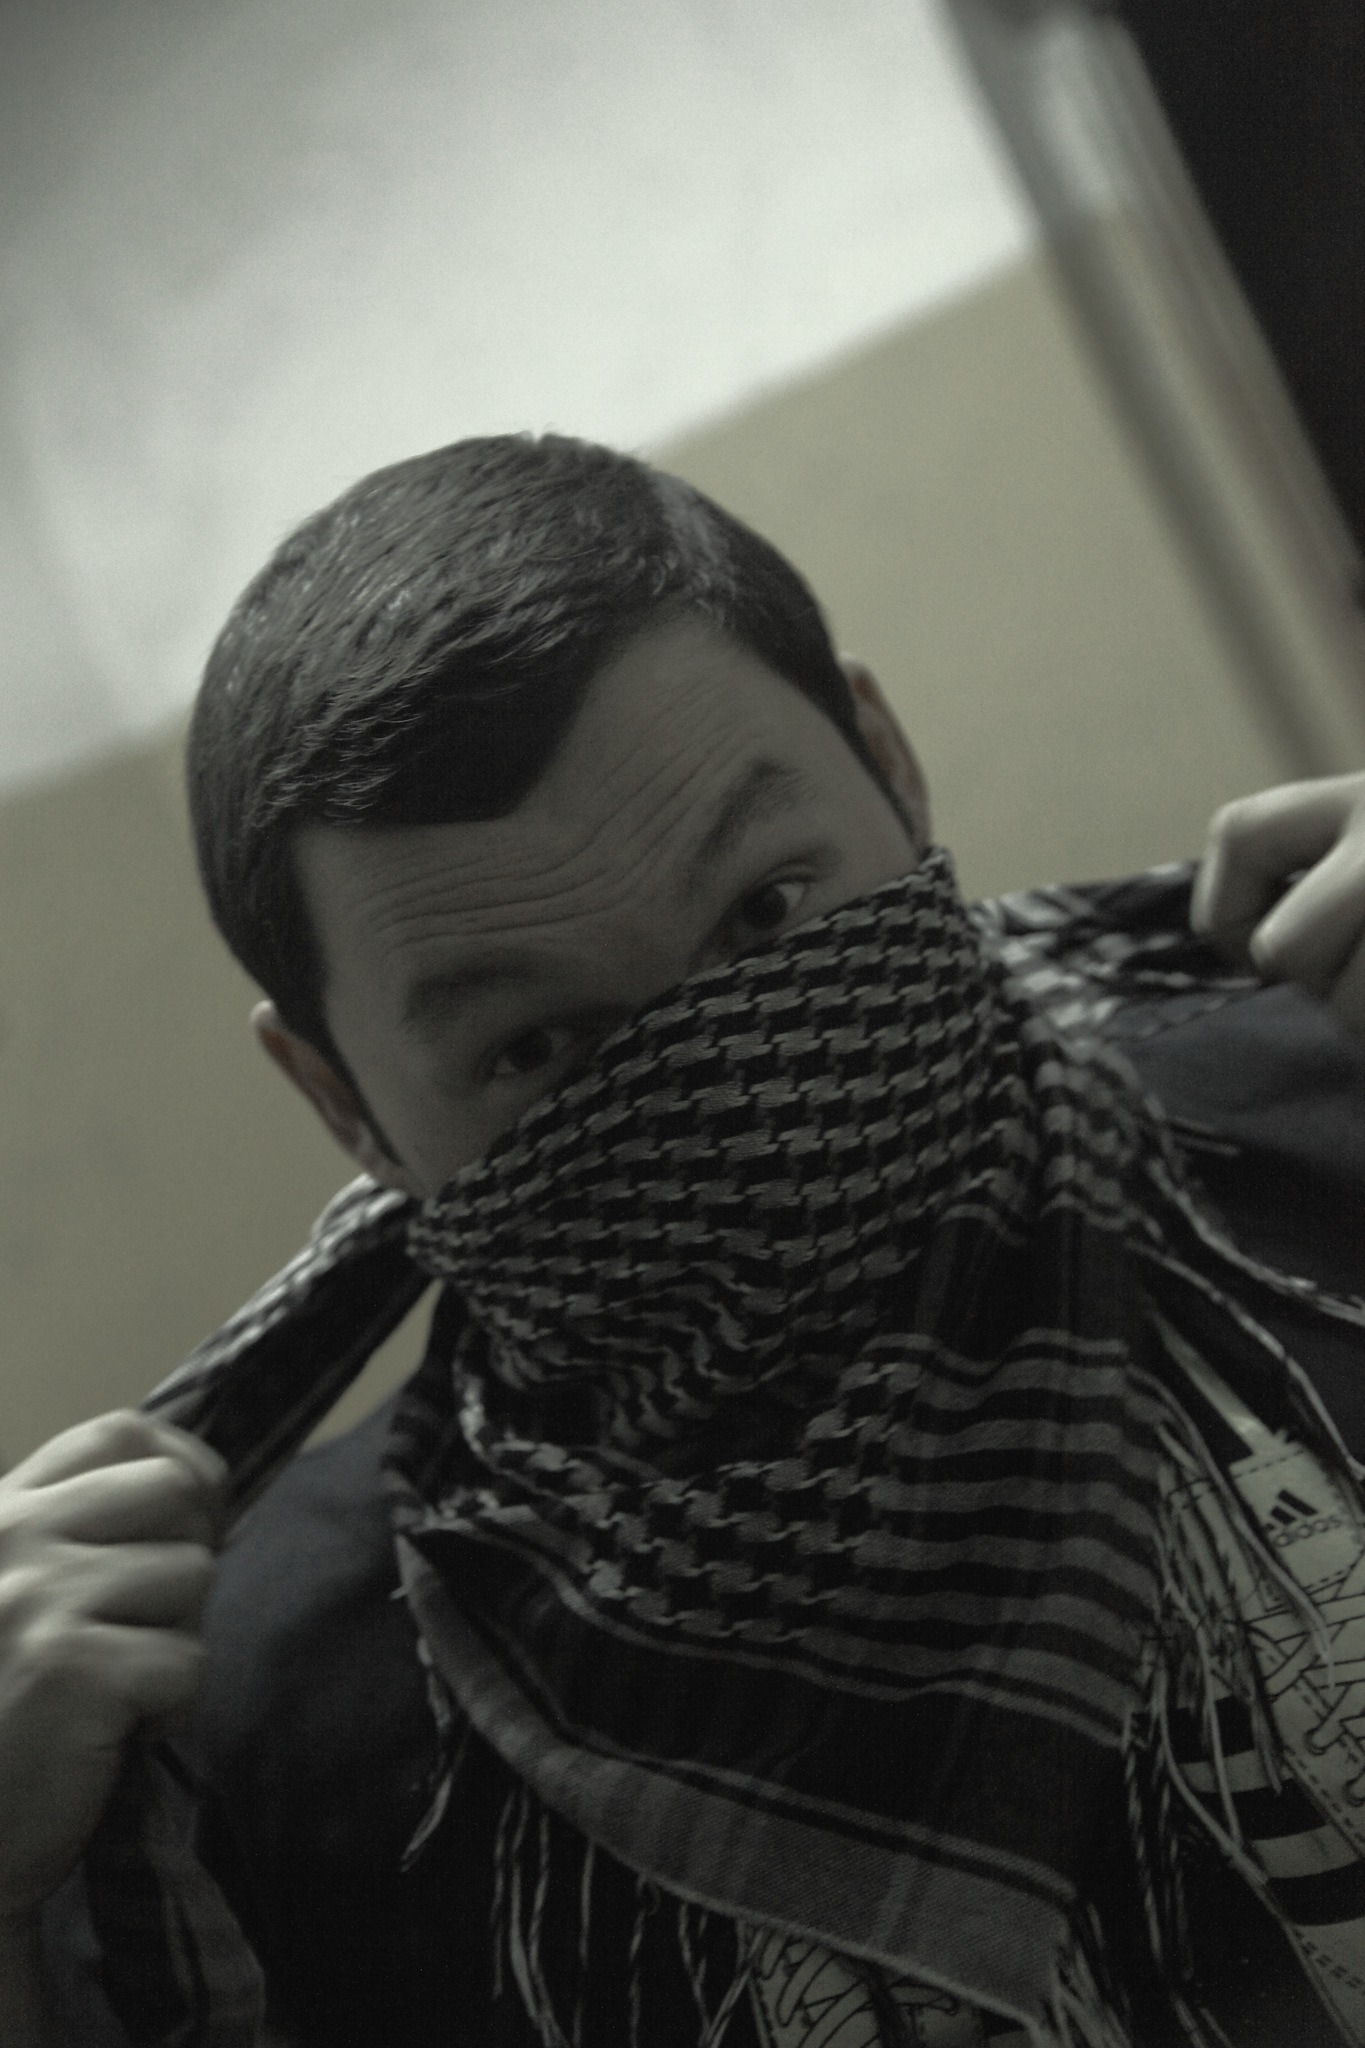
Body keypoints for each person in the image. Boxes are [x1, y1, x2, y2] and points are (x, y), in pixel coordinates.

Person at [6, 434, 1365, 2048]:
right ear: (339, 1099)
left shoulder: (1326, 1122)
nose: (742, 1100)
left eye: (768, 913)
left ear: (885, 760)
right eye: (538, 1048)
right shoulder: (270, 1707)